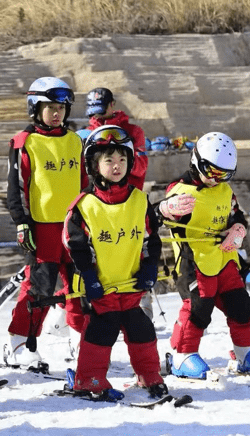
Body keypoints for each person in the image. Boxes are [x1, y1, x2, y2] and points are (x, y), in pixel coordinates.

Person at [63, 126, 186, 401]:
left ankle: (150, 375)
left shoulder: (139, 200)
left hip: (131, 286)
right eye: (108, 160)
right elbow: (76, 247)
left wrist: (150, 267)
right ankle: (88, 380)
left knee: (141, 328)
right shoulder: (84, 206)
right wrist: (90, 277)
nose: (116, 166)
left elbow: (151, 240)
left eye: (122, 160)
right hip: (100, 288)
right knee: (102, 329)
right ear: (94, 165)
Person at [162, 132, 250, 379]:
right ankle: (183, 355)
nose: (216, 180)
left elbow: (236, 215)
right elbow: (159, 216)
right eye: (211, 172)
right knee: (198, 308)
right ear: (196, 162)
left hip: (225, 259)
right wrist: (166, 209)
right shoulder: (181, 190)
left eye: (224, 175)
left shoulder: (225, 191)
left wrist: (238, 229)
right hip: (195, 260)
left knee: (241, 305)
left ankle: (246, 351)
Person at [5, 77, 85, 369]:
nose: (56, 113)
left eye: (61, 107)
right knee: (39, 286)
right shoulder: (25, 142)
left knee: (81, 284)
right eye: (49, 106)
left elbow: (85, 184)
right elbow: (17, 186)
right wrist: (21, 222)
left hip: (74, 226)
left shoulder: (76, 141)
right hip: (42, 227)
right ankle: (20, 342)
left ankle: (80, 338)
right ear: (34, 108)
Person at [84, 87, 149, 190]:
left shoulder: (133, 132)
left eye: (101, 111)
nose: (97, 116)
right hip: (97, 195)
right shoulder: (87, 134)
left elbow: (141, 168)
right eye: (93, 113)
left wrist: (120, 149)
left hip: (128, 195)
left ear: (112, 104)